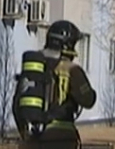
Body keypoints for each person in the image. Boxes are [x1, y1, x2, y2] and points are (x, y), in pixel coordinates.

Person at [12, 20, 97, 149]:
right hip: (61, 140)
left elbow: (17, 105)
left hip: (33, 141)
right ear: (67, 44)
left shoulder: (33, 68)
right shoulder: (71, 69)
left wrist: (27, 135)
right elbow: (88, 100)